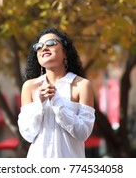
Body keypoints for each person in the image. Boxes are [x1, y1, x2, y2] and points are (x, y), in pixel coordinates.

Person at [18, 28, 95, 158]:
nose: (44, 48)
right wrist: (39, 103)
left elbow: (83, 133)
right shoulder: (30, 87)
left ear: (65, 51)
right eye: (39, 46)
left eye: (51, 43)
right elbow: (27, 134)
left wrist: (58, 103)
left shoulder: (82, 85)